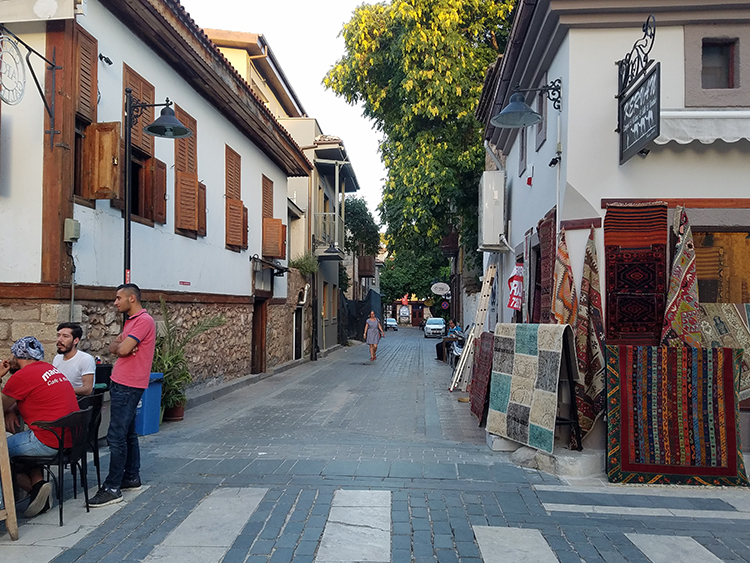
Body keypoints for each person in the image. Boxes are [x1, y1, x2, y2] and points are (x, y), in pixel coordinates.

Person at [88, 283, 156, 508]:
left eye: (119, 298)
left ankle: (112, 487)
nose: (115, 302)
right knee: (127, 433)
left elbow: (123, 349)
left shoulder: (143, 321)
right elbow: (113, 347)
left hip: (128, 385)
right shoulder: (131, 322)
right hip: (121, 382)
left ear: (132, 298)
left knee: (116, 436)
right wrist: (120, 345)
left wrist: (121, 346)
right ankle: (131, 477)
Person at [1, 336, 79, 517]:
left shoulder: (21, 376)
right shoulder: (49, 369)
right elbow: (26, 399)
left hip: (48, 440)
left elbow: (0, 406)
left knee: (2, 451)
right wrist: (12, 411)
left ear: (17, 356)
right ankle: (38, 488)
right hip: (68, 438)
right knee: (21, 449)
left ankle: (5, 505)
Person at [52, 322, 95, 396]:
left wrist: (64, 391)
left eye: (65, 336)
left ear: (75, 341)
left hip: (77, 401)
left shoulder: (85, 359)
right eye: (58, 335)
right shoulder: (57, 358)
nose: (60, 340)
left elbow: (88, 389)